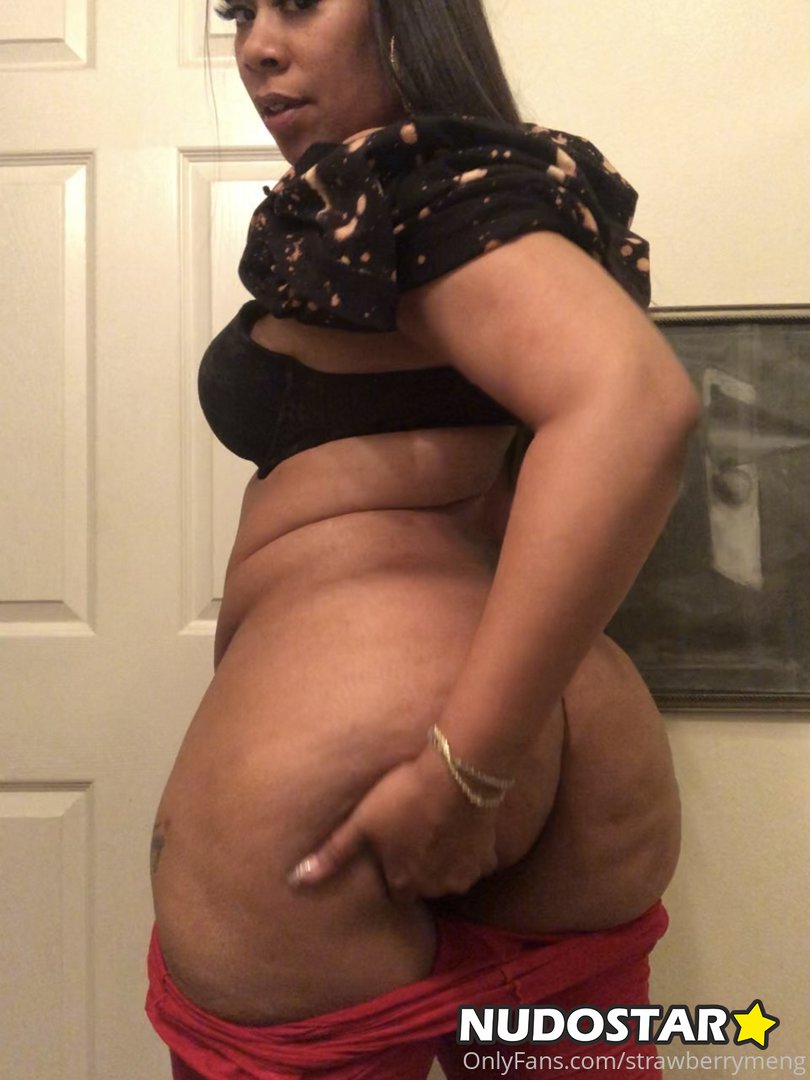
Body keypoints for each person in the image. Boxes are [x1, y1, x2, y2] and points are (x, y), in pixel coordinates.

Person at [146, 1, 699, 1077]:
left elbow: (633, 407)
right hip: (576, 753)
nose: (256, 46)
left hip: (393, 764)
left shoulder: (411, 183)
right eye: (240, 12)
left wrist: (467, 773)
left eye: (299, 2)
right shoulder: (514, 190)